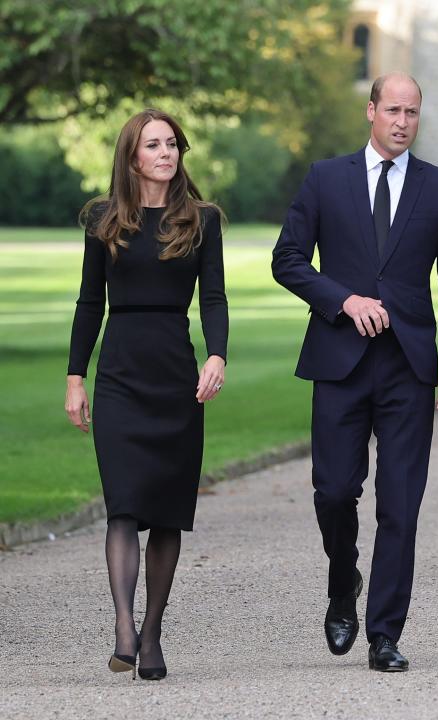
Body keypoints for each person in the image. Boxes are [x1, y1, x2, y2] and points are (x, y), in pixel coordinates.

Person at [271, 72, 438, 672]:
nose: (402, 122)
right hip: (340, 361)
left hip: (408, 366)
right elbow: (286, 260)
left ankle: (385, 633)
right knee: (334, 492)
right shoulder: (326, 178)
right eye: (392, 110)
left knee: (400, 505)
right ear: (371, 111)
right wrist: (342, 300)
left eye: (412, 112)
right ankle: (343, 580)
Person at [65, 109, 228, 680]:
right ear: (132, 156)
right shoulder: (104, 220)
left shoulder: (202, 220)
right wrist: (75, 377)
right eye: (153, 145)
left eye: (172, 144)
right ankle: (125, 627)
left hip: (174, 377)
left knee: (165, 512)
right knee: (124, 504)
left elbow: (214, 298)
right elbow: (89, 303)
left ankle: (153, 633)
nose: (166, 153)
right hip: (119, 375)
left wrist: (216, 354)